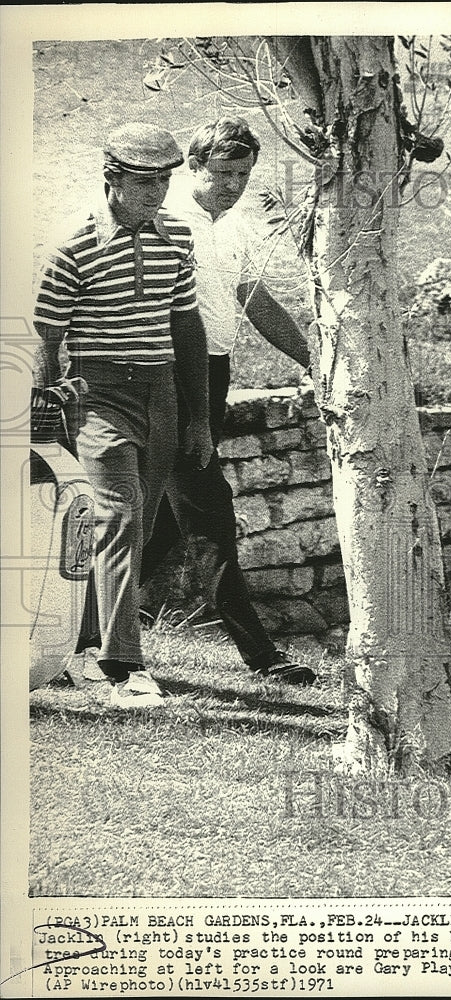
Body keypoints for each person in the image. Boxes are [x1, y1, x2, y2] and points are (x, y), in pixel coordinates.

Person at [33, 122, 213, 708]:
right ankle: (124, 667)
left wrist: (199, 418)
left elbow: (186, 326)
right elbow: (46, 335)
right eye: (143, 182)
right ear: (111, 180)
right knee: (120, 516)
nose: (157, 192)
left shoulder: (178, 238)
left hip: (160, 391)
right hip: (96, 391)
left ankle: (85, 646)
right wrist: (45, 408)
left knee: (140, 524)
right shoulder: (74, 246)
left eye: (164, 180)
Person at [138, 115, 316, 685]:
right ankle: (260, 653)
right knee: (210, 510)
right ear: (192, 166)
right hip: (168, 376)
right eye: (223, 172)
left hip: (214, 372)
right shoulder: (165, 221)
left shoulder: (237, 226)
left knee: (167, 522)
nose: (235, 184)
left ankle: (85, 624)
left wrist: (315, 359)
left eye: (243, 173)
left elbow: (256, 300)